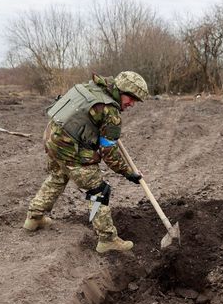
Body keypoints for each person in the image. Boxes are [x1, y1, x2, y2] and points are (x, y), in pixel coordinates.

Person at [23, 71, 149, 253]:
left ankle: (34, 218)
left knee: (58, 176)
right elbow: (109, 153)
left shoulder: (89, 87)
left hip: (52, 139)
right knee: (98, 190)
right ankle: (107, 239)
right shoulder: (110, 112)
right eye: (131, 98)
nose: (132, 104)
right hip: (69, 147)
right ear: (120, 90)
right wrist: (128, 173)